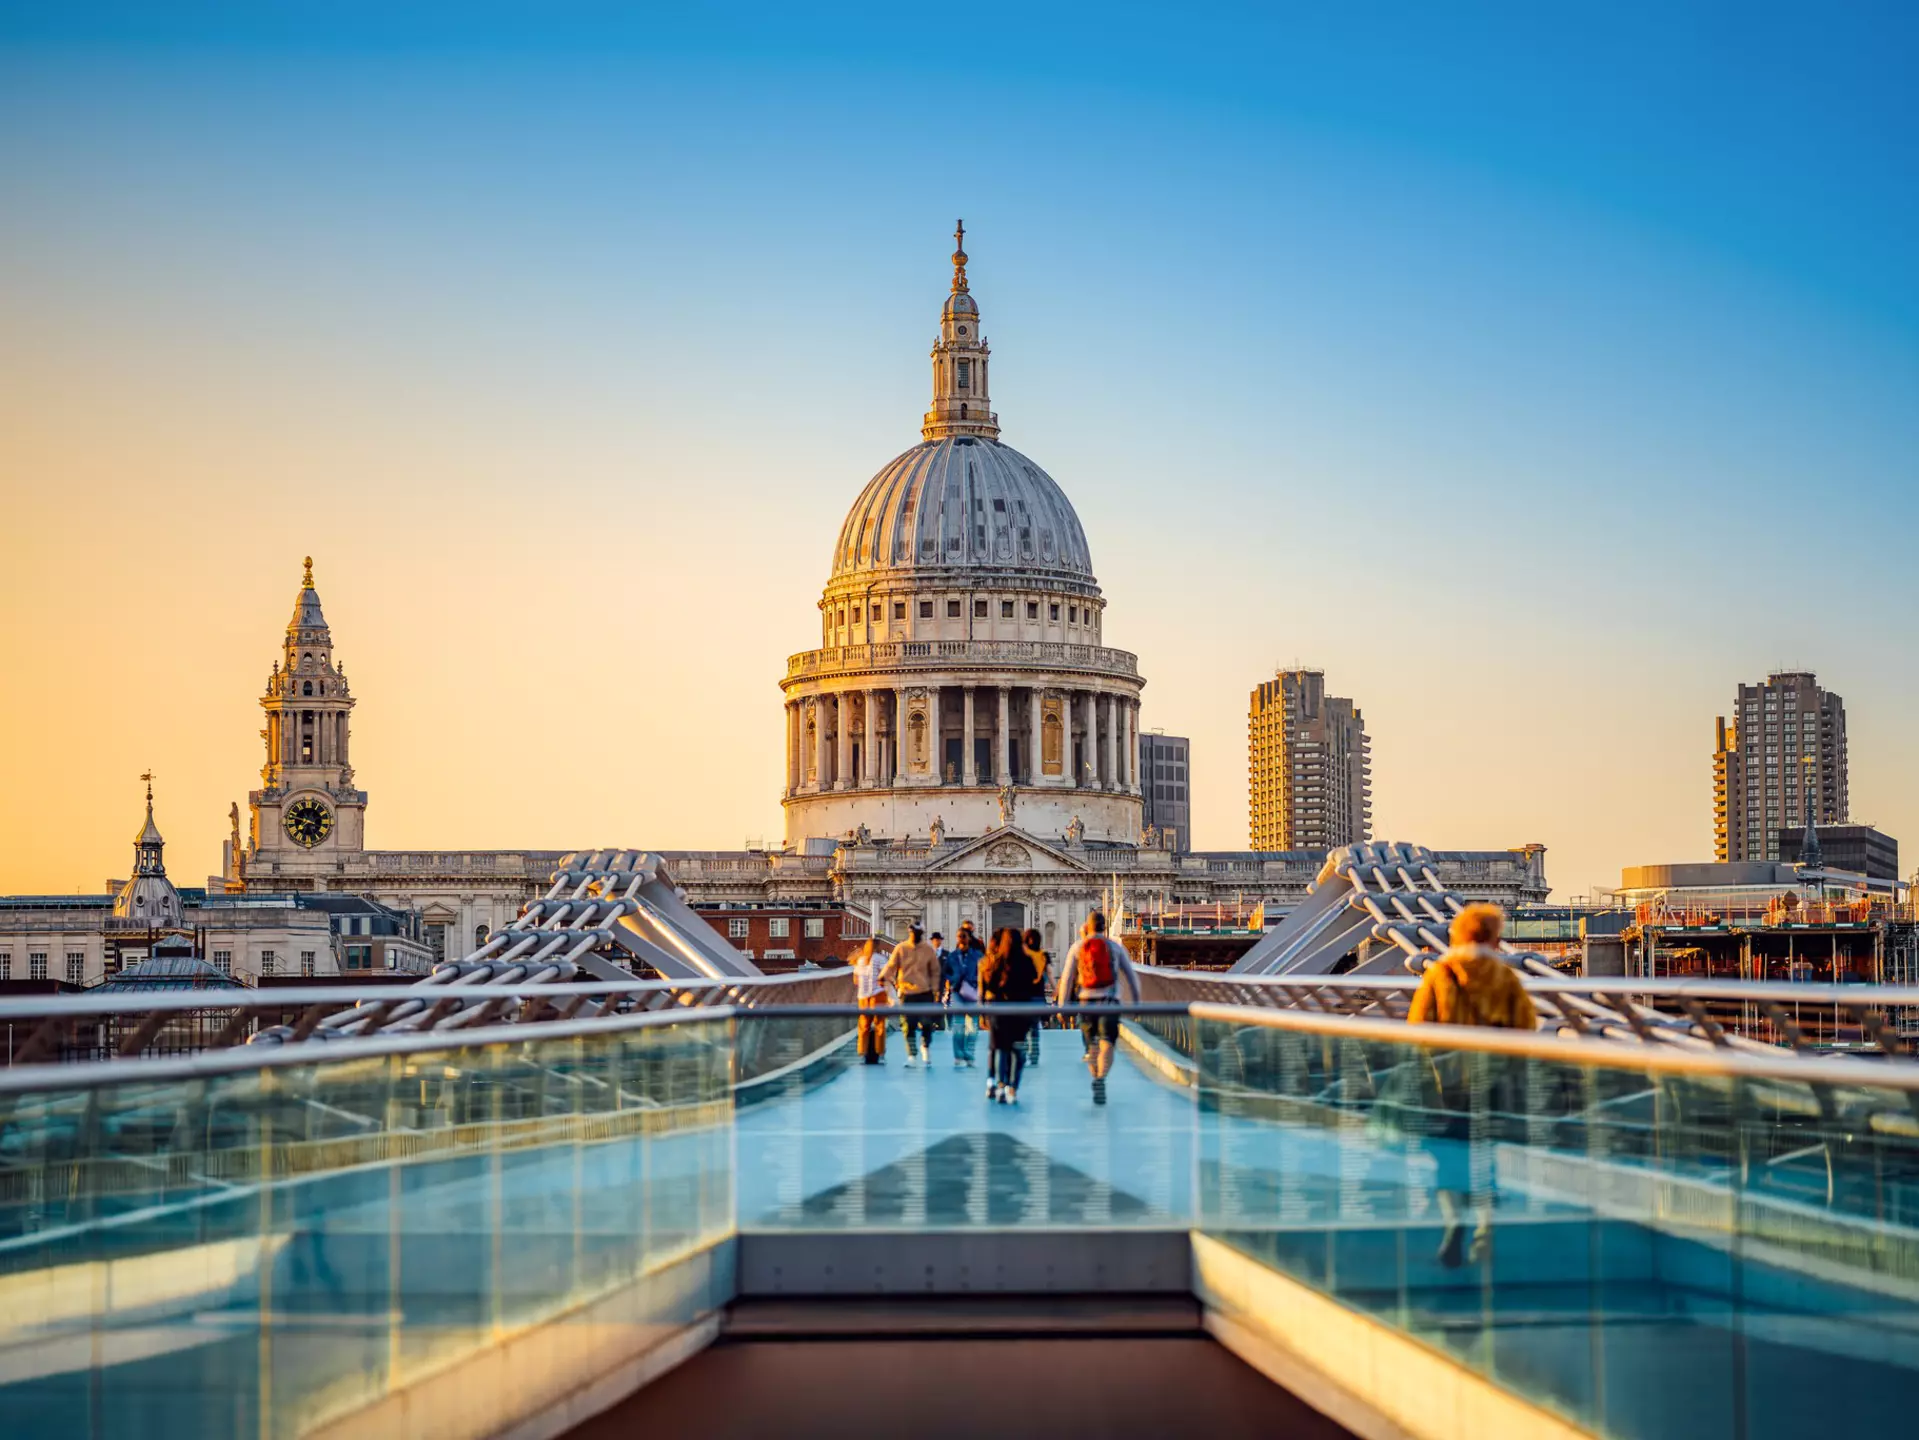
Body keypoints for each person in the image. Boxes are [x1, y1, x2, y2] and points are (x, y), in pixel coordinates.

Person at [1405, 902, 1537, 1268]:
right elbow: (1526, 1029)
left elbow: (1418, 1027)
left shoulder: (1439, 973)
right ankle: (1484, 1232)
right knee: (1485, 1158)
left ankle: (1453, 1221)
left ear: (1457, 934)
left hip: (1446, 1086)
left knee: (1448, 1158)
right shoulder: (1506, 978)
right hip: (1492, 1083)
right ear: (1495, 939)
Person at [1057, 910, 1140, 1106]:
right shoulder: (1115, 947)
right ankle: (1102, 1078)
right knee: (1107, 1043)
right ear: (1105, 926)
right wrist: (1136, 1003)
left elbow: (1067, 978)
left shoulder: (1078, 947)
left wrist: (1062, 1006)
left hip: (1086, 1002)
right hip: (1110, 1001)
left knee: (1092, 1044)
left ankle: (1095, 1077)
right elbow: (1131, 977)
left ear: (1088, 926)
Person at [979, 927, 1041, 1102]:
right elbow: (1033, 984)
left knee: (1003, 1050)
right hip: (1020, 1014)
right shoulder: (1027, 961)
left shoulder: (997, 961)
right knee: (1018, 1051)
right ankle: (1013, 1087)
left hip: (1000, 1013)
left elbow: (989, 986)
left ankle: (1001, 1084)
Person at [878, 923, 942, 1068]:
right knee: (909, 1025)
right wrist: (883, 976)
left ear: (921, 933)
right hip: (907, 993)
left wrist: (936, 990)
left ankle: (925, 1046)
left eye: (917, 932)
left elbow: (935, 971)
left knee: (926, 1024)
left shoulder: (928, 950)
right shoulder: (901, 948)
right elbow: (891, 965)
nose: (914, 935)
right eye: (912, 932)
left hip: (925, 992)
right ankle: (912, 1055)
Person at [941, 925, 983, 1069]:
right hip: (958, 993)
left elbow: (984, 973)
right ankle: (958, 1055)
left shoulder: (978, 956)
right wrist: (952, 980)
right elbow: (944, 972)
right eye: (959, 936)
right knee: (958, 1026)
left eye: (963, 936)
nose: (961, 939)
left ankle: (969, 1053)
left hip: (973, 992)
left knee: (973, 1026)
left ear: (969, 938)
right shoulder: (952, 956)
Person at [849, 937, 890, 1065]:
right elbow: (885, 975)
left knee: (863, 1026)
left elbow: (855, 980)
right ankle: (880, 1053)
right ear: (877, 947)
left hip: (863, 997)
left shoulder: (860, 960)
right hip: (878, 995)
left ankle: (862, 1053)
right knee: (880, 1026)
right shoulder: (881, 959)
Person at [1021, 928, 1054, 1069]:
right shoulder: (1043, 955)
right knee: (1034, 1027)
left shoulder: (1021, 955)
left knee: (1022, 1027)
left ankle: (1025, 1051)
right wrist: (1056, 989)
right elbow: (1051, 974)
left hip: (1022, 997)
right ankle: (1034, 1053)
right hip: (1038, 997)